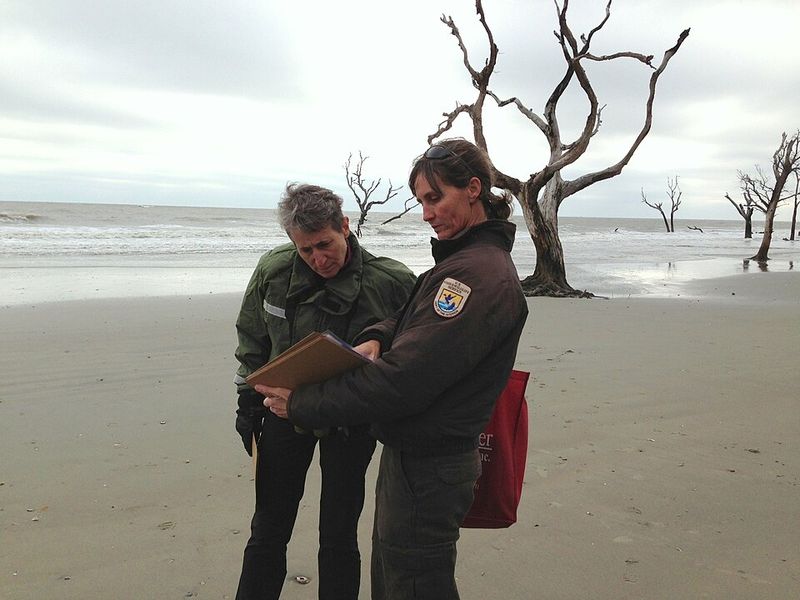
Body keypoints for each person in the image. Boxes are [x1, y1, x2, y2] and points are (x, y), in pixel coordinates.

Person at [259, 138, 529, 599]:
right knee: (395, 577)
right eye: (421, 200)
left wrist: (303, 403)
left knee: (415, 584)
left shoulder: (475, 275)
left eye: (434, 197)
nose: (426, 213)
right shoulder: (460, 263)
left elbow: (404, 381)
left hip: (432, 463)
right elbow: (412, 317)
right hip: (412, 456)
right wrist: (379, 335)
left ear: (473, 189)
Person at [233, 183, 416, 600]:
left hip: (351, 422)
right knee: (267, 530)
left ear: (346, 226)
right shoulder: (273, 271)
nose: (318, 259)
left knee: (338, 534)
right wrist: (247, 404)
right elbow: (252, 340)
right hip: (280, 413)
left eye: (324, 244)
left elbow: (413, 355)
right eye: (305, 250)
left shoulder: (393, 281)